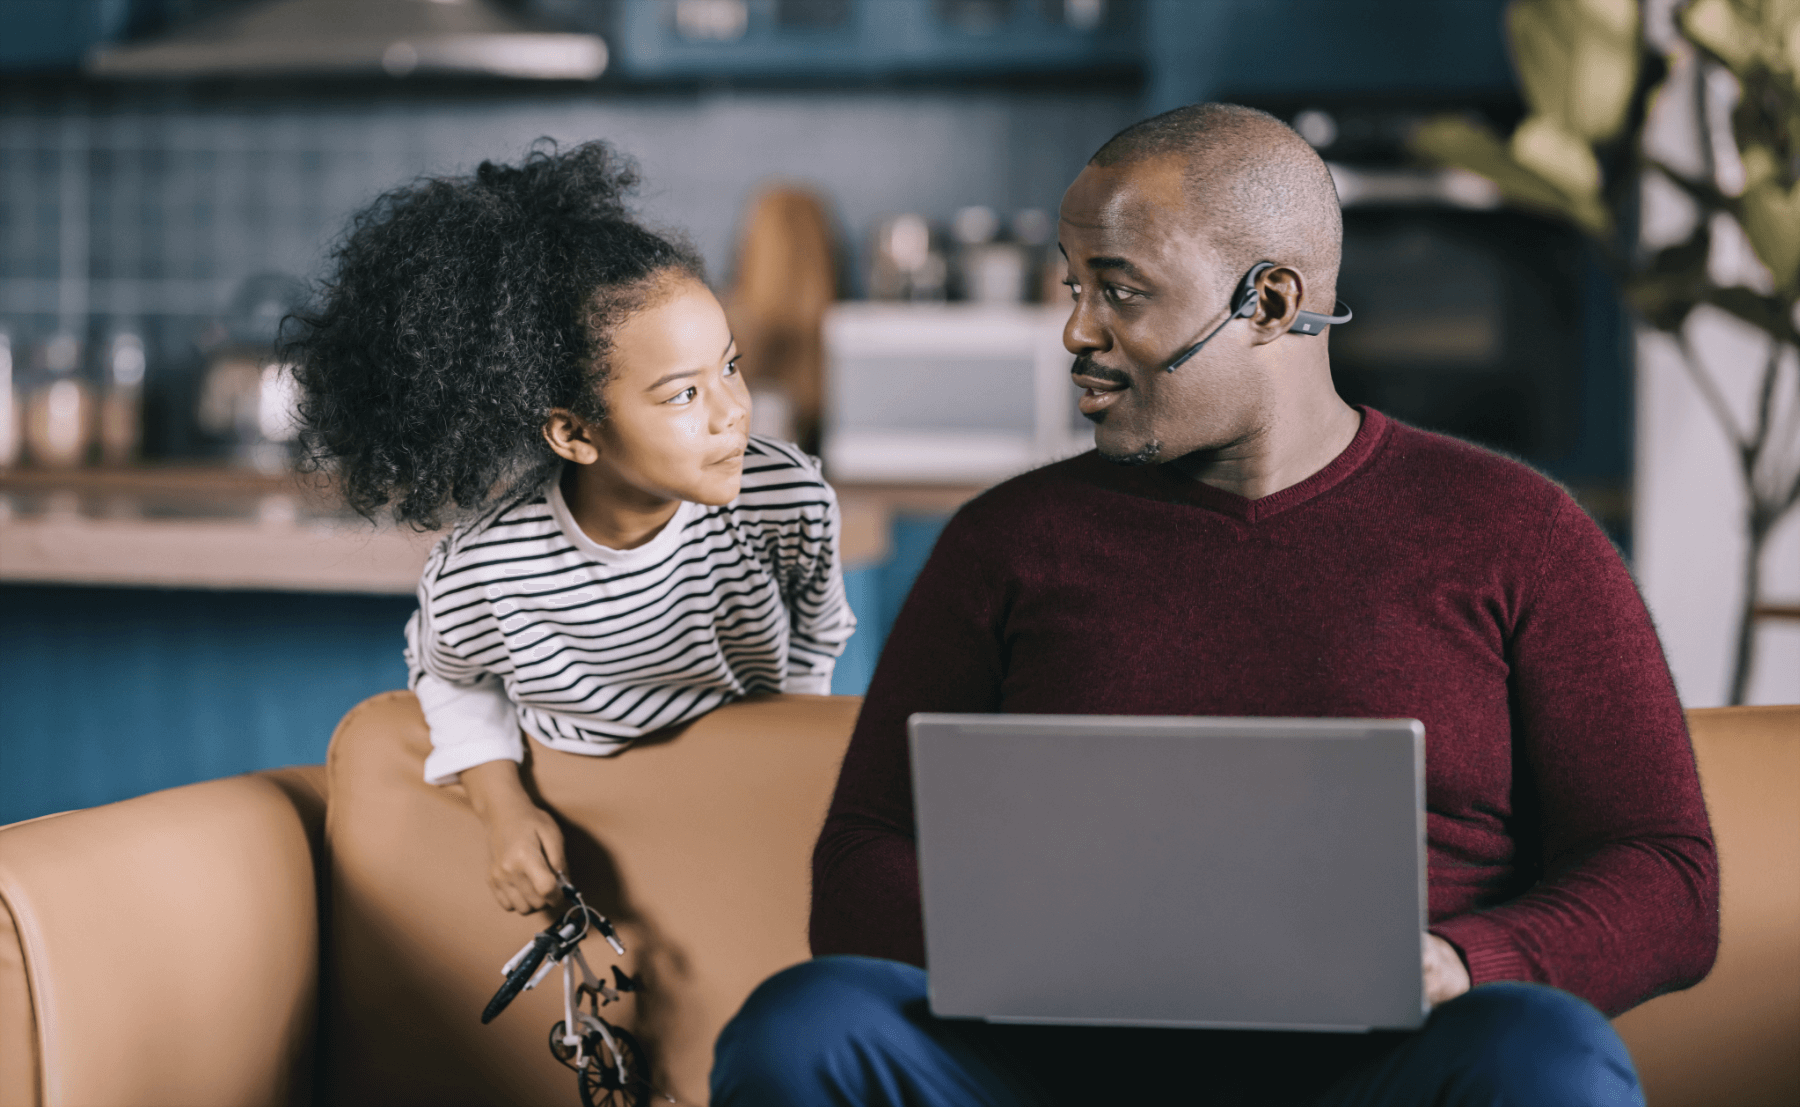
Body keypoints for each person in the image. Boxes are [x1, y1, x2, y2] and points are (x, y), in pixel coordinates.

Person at [709, 105, 1717, 1106]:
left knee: (1544, 1052)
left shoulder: (1518, 533)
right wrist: (1063, 947)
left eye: (1119, 291)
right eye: (1073, 286)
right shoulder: (1002, 544)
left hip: (1383, 1075)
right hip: (1054, 1074)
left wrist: (1463, 958)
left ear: (1270, 304)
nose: (1074, 332)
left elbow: (1666, 876)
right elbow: (860, 862)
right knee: (808, 1025)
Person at [289, 141, 855, 915]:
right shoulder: (488, 567)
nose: (733, 412)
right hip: (584, 832)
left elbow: (815, 640)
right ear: (575, 433)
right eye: (682, 395)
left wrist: (790, 776)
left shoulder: (789, 498)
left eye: (730, 365)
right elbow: (450, 675)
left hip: (742, 811)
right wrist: (504, 810)